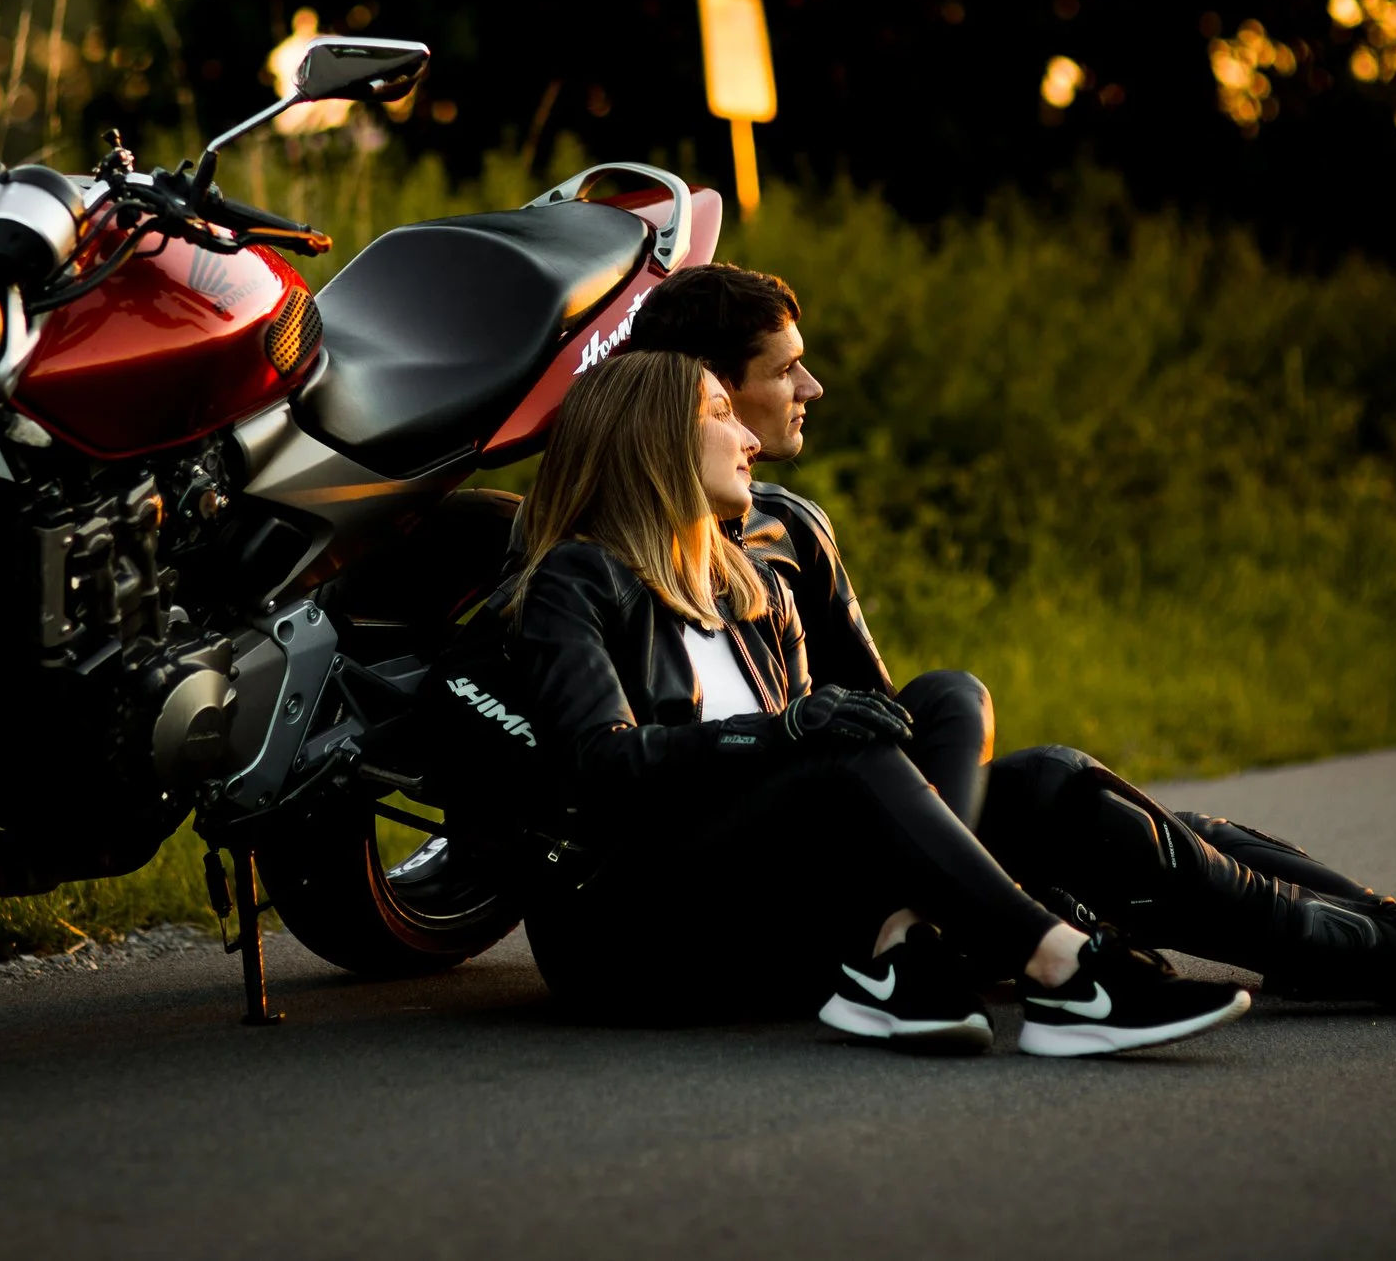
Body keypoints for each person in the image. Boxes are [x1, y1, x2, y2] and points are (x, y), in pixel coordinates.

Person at [625, 263, 1396, 1007]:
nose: (812, 385)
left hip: (869, 838)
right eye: (784, 369)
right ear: (708, 391)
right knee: (1080, 808)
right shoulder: (609, 546)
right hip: (763, 882)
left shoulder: (793, 528)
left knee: (1086, 801)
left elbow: (890, 724)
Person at [499, 347, 1256, 1056]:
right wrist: (779, 731)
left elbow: (815, 786)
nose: (748, 438)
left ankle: (909, 945)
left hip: (769, 908)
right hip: (635, 931)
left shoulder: (756, 590)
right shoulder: (578, 579)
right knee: (838, 751)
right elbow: (599, 762)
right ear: (653, 435)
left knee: (949, 695)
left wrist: (799, 730)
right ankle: (1060, 967)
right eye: (721, 411)